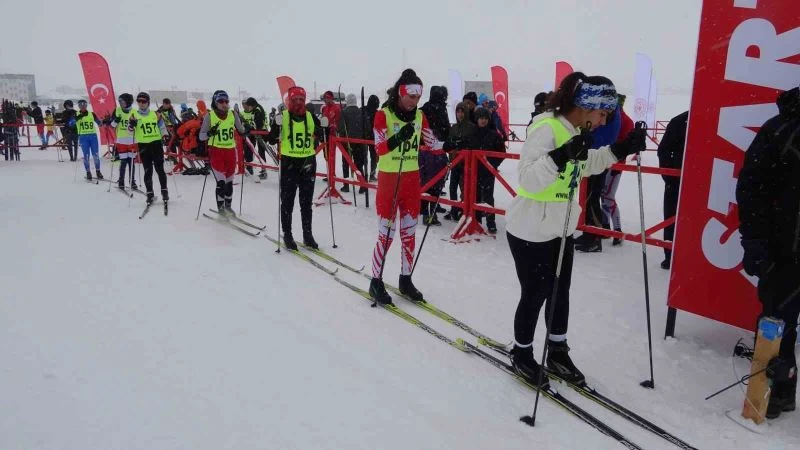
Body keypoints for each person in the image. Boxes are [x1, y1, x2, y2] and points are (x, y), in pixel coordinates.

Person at [506, 72, 646, 386]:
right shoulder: (546, 128)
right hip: (530, 229)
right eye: (602, 113)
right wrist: (560, 155)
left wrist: (620, 149)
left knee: (560, 293)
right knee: (535, 294)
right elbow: (528, 178)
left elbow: (585, 165)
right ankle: (522, 353)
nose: (602, 120)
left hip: (561, 227)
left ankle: (557, 351)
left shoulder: (576, 130)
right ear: (586, 106)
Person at [736, 85, 799, 419]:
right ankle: (775, 390)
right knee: (778, 321)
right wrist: (756, 242)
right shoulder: (779, 129)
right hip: (783, 251)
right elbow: (751, 190)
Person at [368, 69, 443, 305]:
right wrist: (399, 138)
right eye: (411, 96)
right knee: (387, 235)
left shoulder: (420, 117)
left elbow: (431, 143)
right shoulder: (384, 115)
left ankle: (405, 278)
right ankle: (375, 281)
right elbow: (379, 148)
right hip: (390, 181)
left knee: (409, 234)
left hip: (411, 181)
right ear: (401, 93)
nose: (414, 102)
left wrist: (451, 145)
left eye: (418, 98)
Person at [266, 86, 321, 250]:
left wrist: (324, 129)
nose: (298, 103)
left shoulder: (311, 117)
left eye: (301, 100)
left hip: (308, 163)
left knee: (306, 202)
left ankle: (307, 234)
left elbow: (321, 133)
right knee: (288, 202)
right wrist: (276, 127)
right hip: (289, 163)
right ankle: (287, 234)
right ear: (289, 101)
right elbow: (271, 139)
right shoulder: (282, 117)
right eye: (295, 100)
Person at [574, 98, 624, 253]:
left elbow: (603, 136)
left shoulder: (609, 113)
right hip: (596, 156)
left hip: (597, 157)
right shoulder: (612, 112)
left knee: (591, 197)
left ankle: (594, 236)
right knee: (588, 197)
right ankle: (590, 232)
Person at [198, 90, 247, 216]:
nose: (224, 104)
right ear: (215, 102)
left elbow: (241, 130)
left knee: (229, 183)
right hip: (216, 152)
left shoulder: (233, 114)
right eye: (221, 101)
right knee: (221, 183)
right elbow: (201, 136)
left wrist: (247, 130)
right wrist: (209, 133)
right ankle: (221, 210)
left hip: (230, 152)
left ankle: (228, 207)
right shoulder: (210, 116)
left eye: (226, 101)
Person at [657, 110, 689, 269]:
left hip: (701, 186)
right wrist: (671, 178)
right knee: (672, 218)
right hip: (676, 183)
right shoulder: (679, 121)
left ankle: (690, 254)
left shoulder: (712, 119)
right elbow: (663, 151)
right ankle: (670, 254)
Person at [601, 95, 634, 246]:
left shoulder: (624, 120)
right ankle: (607, 227)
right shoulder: (613, 118)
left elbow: (626, 144)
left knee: (608, 197)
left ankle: (617, 230)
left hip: (615, 164)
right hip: (606, 162)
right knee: (604, 196)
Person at [129, 92, 170, 205]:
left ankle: (164, 191)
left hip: (156, 144)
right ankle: (150, 193)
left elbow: (162, 127)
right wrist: (131, 125)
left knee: (160, 169)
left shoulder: (155, 114)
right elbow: (130, 130)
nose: (141, 104)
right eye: (139, 101)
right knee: (148, 171)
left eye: (144, 101)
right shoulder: (134, 114)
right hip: (144, 145)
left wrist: (165, 136)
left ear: (148, 102)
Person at [471, 107, 506, 234]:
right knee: (475, 195)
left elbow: (502, 152)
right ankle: (477, 220)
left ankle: (491, 222)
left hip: (489, 171)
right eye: (481, 118)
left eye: (485, 118)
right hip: (474, 170)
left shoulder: (494, 135)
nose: (483, 121)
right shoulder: (472, 133)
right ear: (477, 119)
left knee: (488, 197)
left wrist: (492, 164)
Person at [419, 86, 451, 225]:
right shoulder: (441, 110)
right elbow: (446, 130)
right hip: (437, 152)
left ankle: (425, 212)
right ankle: (431, 213)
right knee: (436, 184)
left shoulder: (423, 109)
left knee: (425, 183)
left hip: (423, 151)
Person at [443, 102, 476, 221]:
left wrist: (462, 143)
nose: (460, 114)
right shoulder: (454, 127)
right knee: (452, 187)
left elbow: (472, 144)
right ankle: (454, 209)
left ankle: (464, 209)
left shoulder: (471, 127)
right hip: (454, 162)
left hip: (466, 164)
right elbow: (448, 143)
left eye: (462, 111)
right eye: (458, 111)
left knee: (465, 188)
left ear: (466, 113)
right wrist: (451, 144)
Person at [338, 93, 366, 193]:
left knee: (346, 164)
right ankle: (363, 184)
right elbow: (365, 127)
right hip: (359, 142)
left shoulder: (344, 112)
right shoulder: (361, 112)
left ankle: (346, 185)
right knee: (358, 164)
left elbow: (340, 128)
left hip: (347, 142)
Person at [108, 93, 137, 189]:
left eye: (122, 101)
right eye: (119, 101)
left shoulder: (134, 111)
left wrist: (134, 124)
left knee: (131, 162)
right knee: (123, 162)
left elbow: (138, 127)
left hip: (132, 141)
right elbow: (111, 126)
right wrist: (116, 120)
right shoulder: (117, 110)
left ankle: (132, 181)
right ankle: (121, 181)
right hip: (121, 141)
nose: (120, 103)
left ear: (128, 102)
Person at [75, 99, 104, 180]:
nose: (82, 106)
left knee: (96, 155)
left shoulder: (92, 114)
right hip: (83, 137)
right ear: (79, 106)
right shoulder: (76, 114)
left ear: (86, 105)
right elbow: (71, 123)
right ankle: (88, 172)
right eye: (80, 105)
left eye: (84, 104)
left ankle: (98, 171)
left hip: (93, 136)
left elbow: (99, 123)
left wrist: (103, 121)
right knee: (86, 155)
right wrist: (77, 118)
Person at [242, 97, 269, 179]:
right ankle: (253, 168)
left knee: (261, 152)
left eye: (248, 106)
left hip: (261, 133)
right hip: (258, 133)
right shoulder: (256, 109)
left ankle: (264, 171)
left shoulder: (258, 110)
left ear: (252, 105)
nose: (248, 108)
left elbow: (258, 124)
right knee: (253, 150)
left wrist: (252, 128)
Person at [363, 94, 381, 182]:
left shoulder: (362, 110)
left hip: (363, 137)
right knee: (374, 157)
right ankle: (372, 174)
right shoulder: (377, 112)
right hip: (373, 138)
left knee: (364, 156)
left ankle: (364, 174)